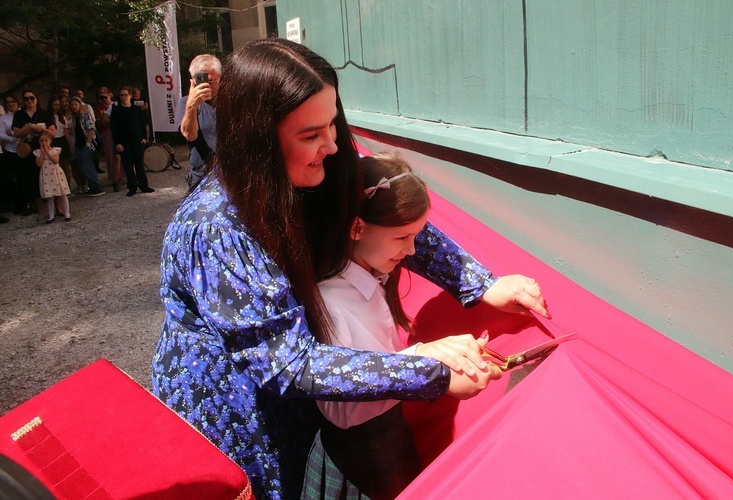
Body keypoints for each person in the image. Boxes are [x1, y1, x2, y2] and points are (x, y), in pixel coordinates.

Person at [152, 38, 546, 500]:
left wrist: (479, 283)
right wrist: (427, 370)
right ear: (258, 138)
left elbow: (388, 210)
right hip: (241, 412)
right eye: (310, 135)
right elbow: (287, 363)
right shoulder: (214, 226)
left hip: (306, 393)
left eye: (333, 123)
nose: (333, 145)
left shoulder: (318, 158)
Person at [302, 152, 453, 499]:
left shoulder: (376, 278)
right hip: (358, 465)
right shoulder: (331, 301)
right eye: (402, 238)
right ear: (356, 227)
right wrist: (425, 366)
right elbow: (343, 408)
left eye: (416, 236)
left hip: (388, 444)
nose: (412, 250)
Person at [176, 54, 220, 189]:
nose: (209, 86)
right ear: (193, 82)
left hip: (231, 175)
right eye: (203, 81)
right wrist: (192, 105)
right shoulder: (186, 103)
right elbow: (190, 135)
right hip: (202, 177)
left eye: (212, 81)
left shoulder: (231, 100)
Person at [12, 90, 55, 217]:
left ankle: (57, 207)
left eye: (32, 98)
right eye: (26, 99)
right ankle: (41, 210)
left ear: (37, 99)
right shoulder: (19, 115)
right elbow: (16, 133)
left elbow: (53, 132)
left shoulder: (44, 113)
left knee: (50, 176)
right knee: (33, 180)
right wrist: (29, 127)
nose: (29, 101)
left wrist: (40, 128)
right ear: (23, 101)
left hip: (44, 149)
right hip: (28, 151)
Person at [109, 86, 153, 196]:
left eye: (125, 95)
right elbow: (114, 128)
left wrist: (144, 138)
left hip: (137, 141)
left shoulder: (136, 109)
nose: (123, 97)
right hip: (124, 143)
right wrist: (117, 143)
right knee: (128, 166)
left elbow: (143, 124)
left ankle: (144, 185)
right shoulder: (116, 110)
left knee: (139, 165)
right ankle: (132, 187)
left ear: (130, 96)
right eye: (121, 95)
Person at [69, 96, 105, 196]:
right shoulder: (74, 118)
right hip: (78, 145)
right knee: (83, 167)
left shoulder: (85, 116)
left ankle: (97, 187)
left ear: (80, 105)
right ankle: (92, 186)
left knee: (87, 166)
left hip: (86, 145)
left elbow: (90, 129)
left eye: (76, 104)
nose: (74, 107)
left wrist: (88, 143)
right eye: (72, 105)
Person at [34, 131, 71, 223]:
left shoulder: (55, 150)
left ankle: (67, 213)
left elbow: (55, 161)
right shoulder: (38, 152)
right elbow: (38, 164)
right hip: (46, 174)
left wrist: (47, 151)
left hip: (55, 173)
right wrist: (42, 153)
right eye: (41, 141)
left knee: (63, 194)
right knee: (49, 195)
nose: (44, 143)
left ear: (50, 141)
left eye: (46, 140)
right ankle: (51, 215)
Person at [95, 87, 124, 190]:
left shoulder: (120, 105)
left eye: (105, 97)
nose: (103, 99)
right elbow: (102, 121)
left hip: (125, 133)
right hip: (111, 133)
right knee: (115, 156)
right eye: (101, 97)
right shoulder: (109, 107)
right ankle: (116, 179)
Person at [0, 95, 21, 215]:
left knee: (24, 176)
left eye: (13, 101)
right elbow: (1, 134)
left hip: (24, 148)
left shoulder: (22, 115)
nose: (10, 104)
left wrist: (13, 133)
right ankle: (17, 203)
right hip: (10, 150)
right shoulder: (3, 118)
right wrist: (14, 137)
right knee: (13, 178)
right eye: (8, 102)